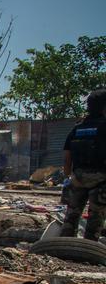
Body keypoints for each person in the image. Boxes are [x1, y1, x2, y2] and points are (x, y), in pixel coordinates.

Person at [61, 88, 106, 239]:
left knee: (71, 216)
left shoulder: (78, 127)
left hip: (77, 178)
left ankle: (65, 246)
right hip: (101, 179)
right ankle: (89, 251)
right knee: (95, 218)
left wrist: (68, 177)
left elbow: (67, 156)